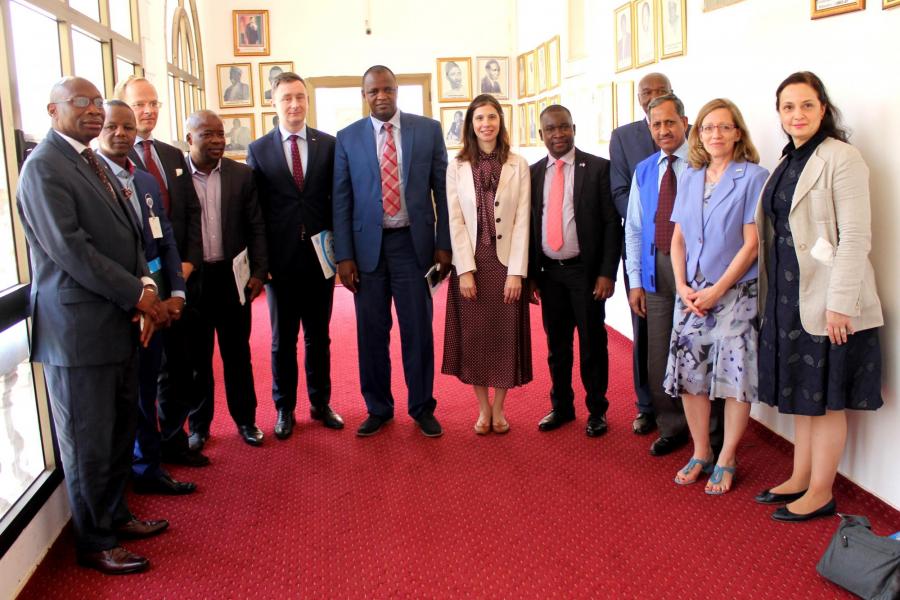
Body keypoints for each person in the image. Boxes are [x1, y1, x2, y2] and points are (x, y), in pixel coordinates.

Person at [17, 77, 168, 574]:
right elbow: (72, 251)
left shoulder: (89, 160)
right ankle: (95, 541)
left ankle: (115, 514)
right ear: (51, 109)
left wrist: (145, 288)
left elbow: (129, 237)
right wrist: (139, 295)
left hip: (115, 322)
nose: (93, 111)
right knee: (87, 441)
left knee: (117, 430)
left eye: (97, 102)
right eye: (80, 103)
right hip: (78, 333)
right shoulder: (43, 169)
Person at [754, 72, 883, 521]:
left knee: (825, 400)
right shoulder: (788, 159)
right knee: (802, 394)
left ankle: (822, 492)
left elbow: (856, 238)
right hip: (789, 295)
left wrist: (840, 305)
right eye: (788, 107)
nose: (797, 114)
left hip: (829, 300)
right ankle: (800, 475)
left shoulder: (842, 158)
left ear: (823, 109)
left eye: (806, 105)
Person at [333, 65, 451, 437]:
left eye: (387, 89)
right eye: (373, 91)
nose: (381, 96)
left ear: (397, 91)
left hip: (413, 247)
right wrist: (344, 255)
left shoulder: (427, 130)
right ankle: (379, 407)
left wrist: (444, 244)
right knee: (371, 332)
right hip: (368, 251)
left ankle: (421, 407)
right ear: (364, 96)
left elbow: (443, 192)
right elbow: (341, 199)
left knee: (417, 330)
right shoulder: (347, 138)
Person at [664, 98, 768, 494]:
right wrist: (683, 286)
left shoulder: (754, 177)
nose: (715, 135)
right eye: (708, 128)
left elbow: (751, 244)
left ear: (737, 133)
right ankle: (701, 451)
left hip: (734, 293)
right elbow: (678, 239)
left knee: (734, 376)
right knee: (691, 375)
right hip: (691, 293)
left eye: (724, 127)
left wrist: (717, 290)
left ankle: (727, 457)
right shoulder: (689, 176)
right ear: (698, 134)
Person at [96, 100, 196, 496]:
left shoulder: (147, 182)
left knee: (155, 383)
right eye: (112, 126)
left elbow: (165, 239)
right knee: (134, 392)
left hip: (159, 299)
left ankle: (151, 466)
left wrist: (176, 293)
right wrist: (142, 298)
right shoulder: (94, 179)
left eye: (128, 127)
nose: (121, 133)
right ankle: (140, 468)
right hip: (123, 304)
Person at [247, 72, 344, 440]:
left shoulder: (328, 145)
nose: (294, 104)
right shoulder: (259, 149)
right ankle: (284, 408)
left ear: (307, 101)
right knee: (281, 340)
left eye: (300, 97)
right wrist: (261, 263)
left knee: (319, 337)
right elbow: (255, 213)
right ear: (274, 102)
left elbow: (338, 201)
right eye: (287, 97)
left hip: (321, 259)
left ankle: (321, 403)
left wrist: (342, 253)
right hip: (280, 263)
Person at [117, 76, 207, 465]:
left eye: (153, 103)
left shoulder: (172, 156)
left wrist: (184, 268)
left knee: (181, 365)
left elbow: (189, 214)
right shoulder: (114, 160)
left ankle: (174, 440)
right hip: (141, 287)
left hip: (179, 279)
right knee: (148, 374)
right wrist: (151, 286)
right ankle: (147, 455)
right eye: (140, 105)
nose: (148, 111)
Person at [529, 105, 622, 437]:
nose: (558, 134)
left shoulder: (597, 168)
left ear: (574, 128)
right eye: (551, 129)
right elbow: (528, 227)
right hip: (549, 274)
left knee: (592, 344)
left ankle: (597, 410)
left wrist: (607, 273)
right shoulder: (533, 173)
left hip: (586, 274)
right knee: (557, 346)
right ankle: (562, 407)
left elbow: (613, 225)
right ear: (541, 135)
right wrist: (530, 277)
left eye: (564, 127)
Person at [442, 94, 531, 434]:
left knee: (504, 336)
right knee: (477, 338)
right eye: (479, 118)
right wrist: (463, 269)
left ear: (500, 122)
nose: (486, 124)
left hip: (505, 265)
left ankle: (500, 408)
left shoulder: (518, 164)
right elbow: (455, 221)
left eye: (492, 117)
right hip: (473, 265)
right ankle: (482, 409)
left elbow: (523, 220)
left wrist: (517, 273)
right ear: (471, 124)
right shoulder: (458, 166)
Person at [183, 110, 268, 447]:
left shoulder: (242, 175)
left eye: (220, 133)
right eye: (208, 134)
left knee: (237, 355)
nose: (218, 140)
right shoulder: (177, 180)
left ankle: (246, 421)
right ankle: (199, 426)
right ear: (190, 138)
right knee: (197, 359)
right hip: (195, 282)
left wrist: (260, 270)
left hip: (233, 279)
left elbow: (256, 225)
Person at [625, 93, 696, 457]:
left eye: (670, 122)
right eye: (657, 124)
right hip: (656, 271)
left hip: (697, 274)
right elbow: (635, 229)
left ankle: (709, 432)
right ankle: (671, 426)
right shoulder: (646, 169)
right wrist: (635, 280)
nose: (664, 130)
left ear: (685, 121)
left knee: (699, 352)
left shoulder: (702, 164)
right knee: (658, 356)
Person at [608, 72, 670, 436]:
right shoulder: (623, 137)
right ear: (638, 99)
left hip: (681, 250)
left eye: (660, 91)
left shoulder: (688, 134)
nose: (652, 96)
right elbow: (618, 190)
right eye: (646, 92)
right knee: (644, 329)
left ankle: (683, 405)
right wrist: (650, 218)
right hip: (639, 246)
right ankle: (646, 405)